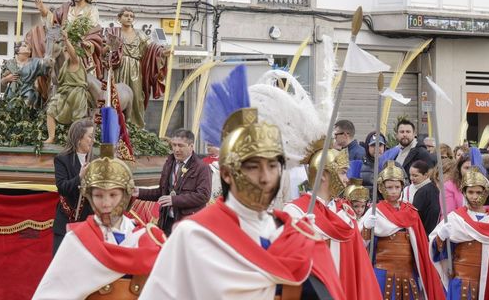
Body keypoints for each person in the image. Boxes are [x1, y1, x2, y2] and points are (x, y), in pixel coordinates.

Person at [141, 107, 344, 299]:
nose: (265, 178)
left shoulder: (297, 237)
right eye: (253, 167)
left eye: (273, 166)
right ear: (228, 174)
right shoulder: (192, 236)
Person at [33, 156, 164, 299]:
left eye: (113, 194)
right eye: (98, 195)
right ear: (89, 197)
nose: (106, 203)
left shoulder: (147, 239)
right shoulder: (76, 241)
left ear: (126, 195)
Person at [283, 142, 380, 300]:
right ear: (323, 174)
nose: (346, 179)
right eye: (342, 172)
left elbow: (359, 266)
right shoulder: (295, 213)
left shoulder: (345, 214)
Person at [359, 161, 445, 300]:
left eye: (397, 187)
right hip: (382, 272)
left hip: (408, 273)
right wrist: (367, 228)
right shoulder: (375, 212)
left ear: (402, 187)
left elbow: (420, 246)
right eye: (389, 187)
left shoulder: (410, 212)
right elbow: (360, 244)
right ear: (381, 189)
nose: (393, 191)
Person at [29, 0, 105, 79]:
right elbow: (53, 23)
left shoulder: (91, 9)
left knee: (83, 63)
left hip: (81, 44)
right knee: (50, 56)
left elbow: (93, 28)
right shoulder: (66, 8)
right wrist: (43, 10)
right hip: (63, 43)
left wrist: (80, 38)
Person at [429, 166, 489, 299]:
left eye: (479, 192)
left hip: (487, 281)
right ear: (464, 193)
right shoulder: (455, 219)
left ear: (485, 192)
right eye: (471, 192)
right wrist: (441, 237)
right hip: (462, 281)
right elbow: (436, 250)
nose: (475, 196)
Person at [135, 129, 211, 236]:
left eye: (180, 145)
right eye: (174, 145)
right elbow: (161, 193)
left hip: (188, 224)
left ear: (191, 146)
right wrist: (138, 192)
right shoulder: (169, 163)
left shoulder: (201, 168)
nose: (176, 149)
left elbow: (203, 196)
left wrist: (174, 200)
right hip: (167, 222)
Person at [104, 8, 168, 128]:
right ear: (119, 18)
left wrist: (163, 52)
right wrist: (110, 47)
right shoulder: (113, 32)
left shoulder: (140, 34)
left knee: (136, 96)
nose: (129, 18)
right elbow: (104, 50)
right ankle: (115, 124)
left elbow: (152, 47)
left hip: (135, 69)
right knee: (116, 95)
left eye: (131, 16)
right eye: (126, 15)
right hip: (118, 67)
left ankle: (135, 126)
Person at [52, 119, 96, 255]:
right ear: (79, 138)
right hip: (66, 223)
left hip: (87, 224)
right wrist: (80, 177)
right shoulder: (62, 159)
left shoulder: (95, 160)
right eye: (90, 136)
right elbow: (62, 187)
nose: (92, 140)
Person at [44, 33, 89, 144]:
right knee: (51, 110)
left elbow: (73, 55)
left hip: (77, 92)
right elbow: (56, 81)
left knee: (77, 118)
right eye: (64, 50)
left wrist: (66, 39)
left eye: (67, 49)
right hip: (64, 92)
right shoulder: (64, 65)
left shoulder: (76, 60)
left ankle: (76, 140)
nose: (66, 51)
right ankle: (51, 137)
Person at [0, 41, 51, 109]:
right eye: (24, 46)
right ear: (17, 50)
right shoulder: (10, 63)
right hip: (13, 92)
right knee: (10, 111)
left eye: (29, 47)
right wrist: (8, 78)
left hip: (28, 90)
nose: (28, 48)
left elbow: (47, 63)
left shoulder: (35, 62)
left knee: (26, 107)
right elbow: (2, 82)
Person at [412, 161, 442, 236]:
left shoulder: (424, 191)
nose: (411, 178)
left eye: (415, 175)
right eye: (411, 175)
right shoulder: (424, 191)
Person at [360, 131, 387, 197]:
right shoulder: (360, 165)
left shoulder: (392, 164)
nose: (377, 148)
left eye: (380, 145)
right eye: (373, 145)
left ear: (384, 147)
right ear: (367, 147)